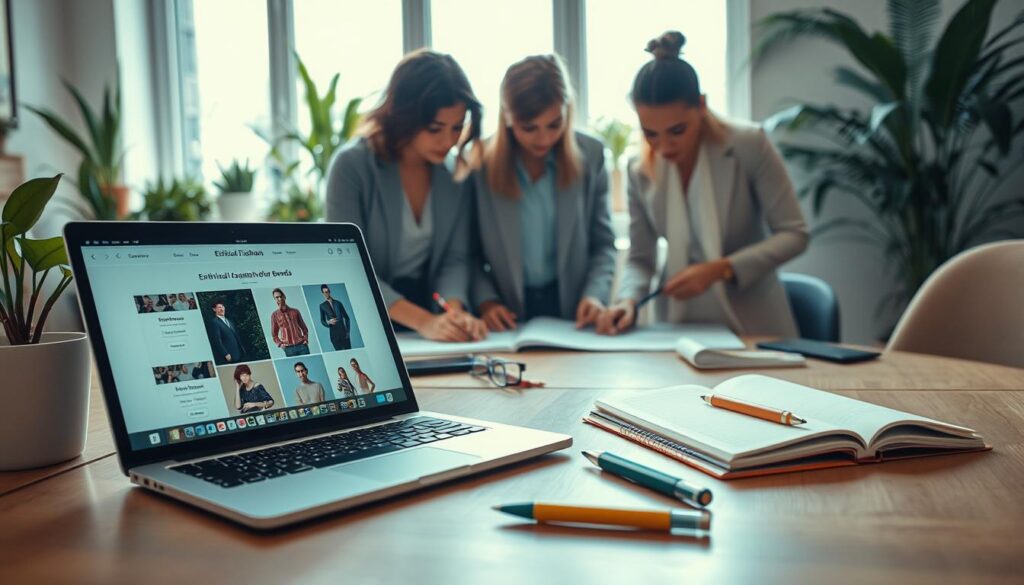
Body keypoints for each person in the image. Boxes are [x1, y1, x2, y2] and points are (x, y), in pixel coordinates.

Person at [597, 31, 809, 337]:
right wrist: (627, 300)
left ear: (701, 105)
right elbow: (641, 259)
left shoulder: (749, 145)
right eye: (650, 134)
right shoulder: (638, 169)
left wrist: (720, 268)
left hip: (754, 325)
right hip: (674, 328)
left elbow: (795, 233)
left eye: (677, 130)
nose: (664, 146)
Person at [325, 49, 487, 343]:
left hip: (426, 329)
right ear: (403, 117)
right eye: (435, 128)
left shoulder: (453, 174)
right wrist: (424, 321)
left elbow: (455, 257)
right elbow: (346, 264)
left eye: (457, 127)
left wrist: (454, 311)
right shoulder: (352, 165)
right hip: (364, 321)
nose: (449, 141)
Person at [470, 54, 616, 330]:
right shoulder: (479, 162)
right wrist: (486, 302)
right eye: (529, 128)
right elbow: (467, 251)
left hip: (573, 313)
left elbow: (603, 243)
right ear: (507, 116)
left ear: (567, 111)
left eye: (554, 124)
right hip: (506, 315)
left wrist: (595, 295)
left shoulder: (591, 155)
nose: (544, 139)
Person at [269, 288, 310, 356]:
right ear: (275, 299)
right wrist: (280, 344)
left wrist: (305, 339)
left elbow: (304, 328)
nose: (279, 299)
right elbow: (274, 334)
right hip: (289, 348)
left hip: (302, 346)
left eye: (280, 296)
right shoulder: (274, 315)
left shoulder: (295, 311)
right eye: (277, 297)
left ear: (284, 296)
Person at [208, 299, 247, 364]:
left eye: (223, 307)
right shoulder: (214, 322)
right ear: (214, 309)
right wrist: (225, 354)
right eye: (219, 307)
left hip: (240, 353)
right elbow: (217, 340)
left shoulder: (230, 321)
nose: (222, 309)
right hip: (229, 356)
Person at [319, 284, 352, 351]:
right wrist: (328, 322)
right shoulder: (322, 306)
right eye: (324, 292)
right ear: (322, 293)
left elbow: (347, 318)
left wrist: (348, 332)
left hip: (344, 334)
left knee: (349, 352)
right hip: (334, 335)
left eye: (327, 291)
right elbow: (322, 320)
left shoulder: (338, 303)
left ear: (329, 291)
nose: (326, 294)